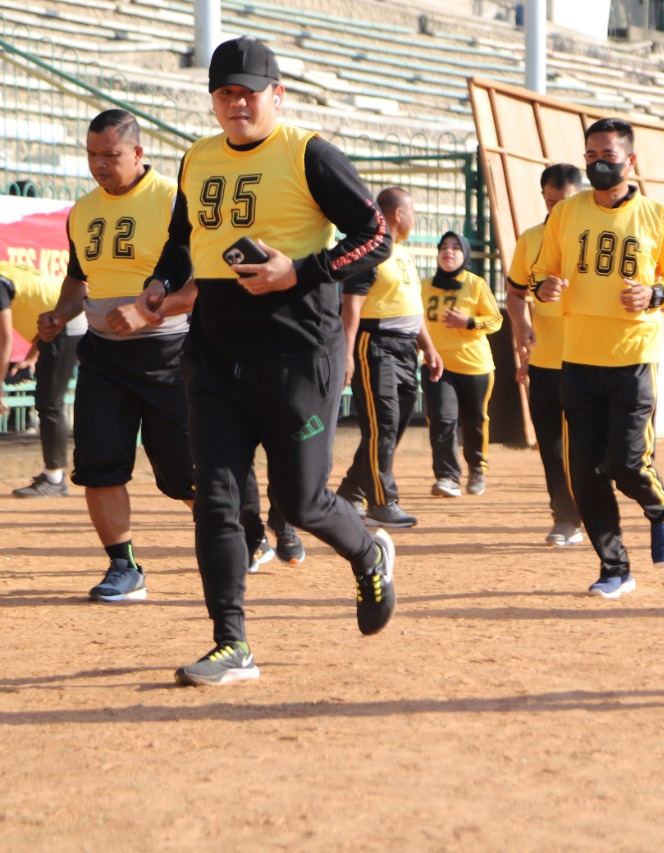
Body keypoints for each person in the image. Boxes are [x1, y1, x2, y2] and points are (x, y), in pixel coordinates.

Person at [139, 36, 395, 685]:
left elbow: (375, 236)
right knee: (216, 502)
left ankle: (368, 552)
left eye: (248, 92)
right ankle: (231, 642)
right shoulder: (198, 158)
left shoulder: (308, 153)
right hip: (216, 358)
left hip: (295, 355)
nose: (236, 103)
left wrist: (299, 271)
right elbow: (180, 239)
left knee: (301, 501)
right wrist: (162, 283)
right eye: (225, 93)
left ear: (276, 95)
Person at [33, 110, 207, 604]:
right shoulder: (82, 210)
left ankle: (240, 533)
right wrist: (60, 313)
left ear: (138, 153)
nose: (99, 165)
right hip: (103, 357)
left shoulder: (174, 203)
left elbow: (203, 283)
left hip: (170, 353)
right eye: (92, 155)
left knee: (184, 473)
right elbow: (77, 277)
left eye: (110, 155)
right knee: (98, 463)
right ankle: (124, 568)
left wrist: (149, 313)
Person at [531, 117, 664, 598]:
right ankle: (614, 567)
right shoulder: (566, 213)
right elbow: (541, 273)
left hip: (633, 357)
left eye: (609, 155)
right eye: (592, 156)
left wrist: (654, 293)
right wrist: (546, 286)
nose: (600, 163)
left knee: (626, 461)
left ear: (630, 160)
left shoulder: (658, 216)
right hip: (576, 357)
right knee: (585, 474)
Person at [335, 188, 442, 527]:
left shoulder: (403, 254)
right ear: (398, 214)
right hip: (375, 344)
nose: (414, 219)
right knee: (382, 424)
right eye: (412, 212)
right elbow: (350, 308)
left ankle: (350, 491)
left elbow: (413, 309)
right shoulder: (371, 252)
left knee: (391, 427)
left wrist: (429, 346)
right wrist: (347, 356)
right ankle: (382, 503)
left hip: (407, 347)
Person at [505, 163, 585, 546]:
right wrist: (522, 329)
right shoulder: (530, 238)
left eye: (564, 202)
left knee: (587, 444)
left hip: (589, 356)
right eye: (551, 201)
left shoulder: (589, 238)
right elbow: (515, 293)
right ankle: (565, 516)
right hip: (545, 359)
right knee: (550, 443)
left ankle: (589, 506)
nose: (556, 209)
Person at [422, 231, 500, 498]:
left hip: (475, 366)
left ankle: (477, 468)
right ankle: (447, 477)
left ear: (465, 254)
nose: (449, 251)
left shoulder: (476, 284)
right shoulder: (424, 286)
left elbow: (495, 320)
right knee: (442, 418)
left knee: (475, 421)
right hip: (438, 364)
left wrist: (469, 322)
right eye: (444, 246)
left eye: (456, 247)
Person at [0, 262, 85, 497]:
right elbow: (43, 306)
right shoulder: (5, 272)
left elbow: (5, 338)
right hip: (61, 320)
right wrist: (31, 356)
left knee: (50, 402)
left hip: (68, 321)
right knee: (49, 400)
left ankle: (55, 478)